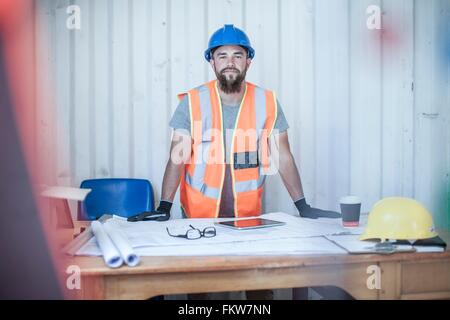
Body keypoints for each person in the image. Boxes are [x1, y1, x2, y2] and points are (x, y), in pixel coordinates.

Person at [151, 24, 341, 299]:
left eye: (237, 55)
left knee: (259, 288)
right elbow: (176, 157)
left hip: (250, 219)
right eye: (222, 55)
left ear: (248, 61)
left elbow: (282, 154)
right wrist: (165, 206)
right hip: (199, 219)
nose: (230, 62)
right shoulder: (192, 102)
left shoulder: (267, 101)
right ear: (211, 61)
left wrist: (303, 205)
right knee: (198, 291)